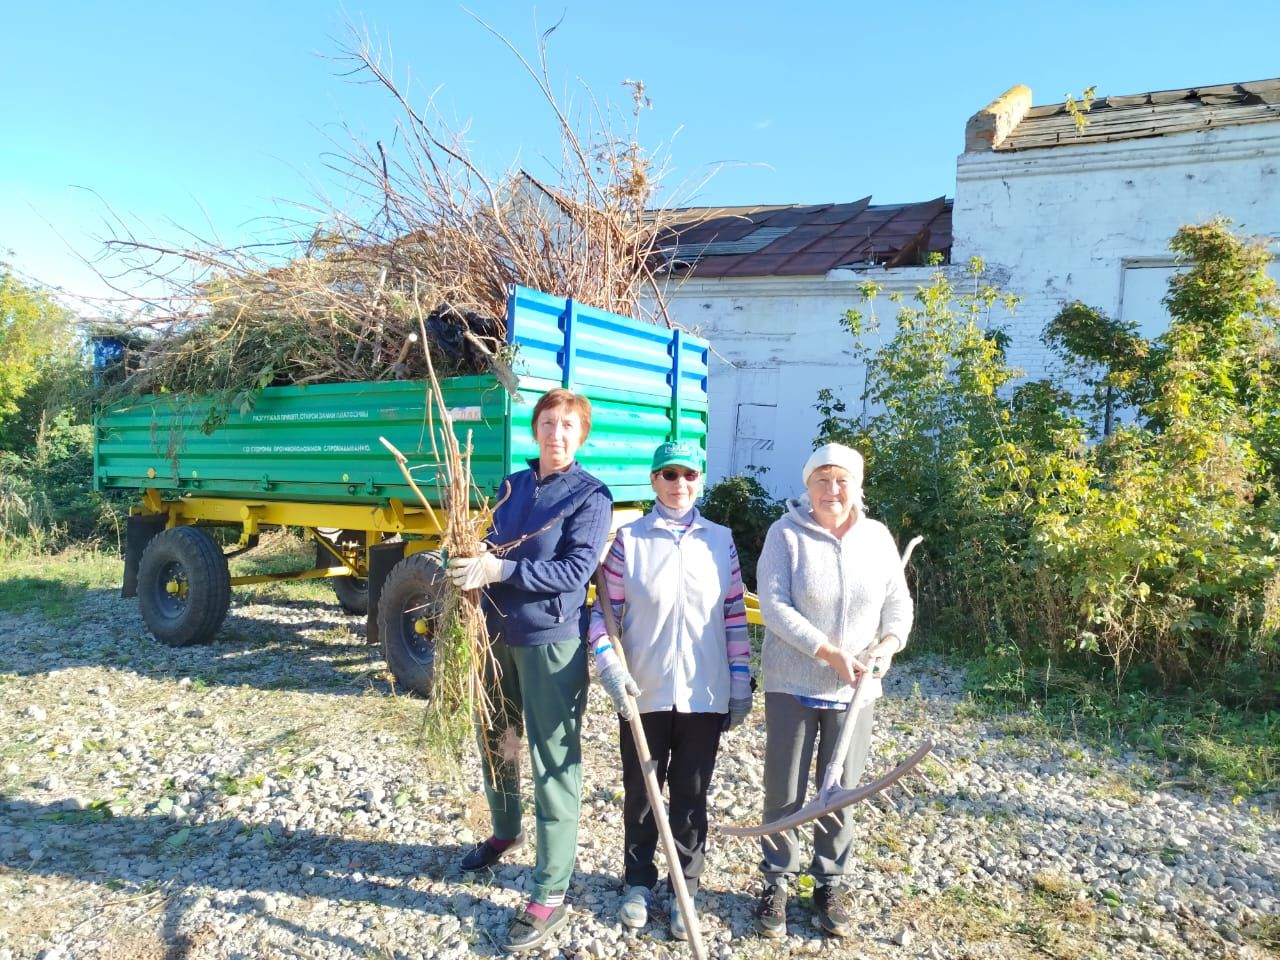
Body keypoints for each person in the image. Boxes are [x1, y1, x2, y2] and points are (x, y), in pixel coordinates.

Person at [447, 388, 613, 954]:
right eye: (548, 422)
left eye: (568, 425)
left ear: (581, 435)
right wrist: (468, 560)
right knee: (498, 740)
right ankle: (505, 829)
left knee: (551, 758)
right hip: (494, 636)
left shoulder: (590, 495)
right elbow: (487, 546)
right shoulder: (513, 486)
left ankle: (550, 890)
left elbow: (573, 571)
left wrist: (501, 568)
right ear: (535, 428)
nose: (556, 433)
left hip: (549, 642)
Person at [589, 439, 752, 941]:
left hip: (705, 693)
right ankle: (637, 883)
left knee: (691, 793)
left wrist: (741, 681)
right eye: (668, 475)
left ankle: (686, 889)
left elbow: (733, 613)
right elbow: (602, 614)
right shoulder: (629, 541)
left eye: (688, 475)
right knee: (641, 794)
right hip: (643, 691)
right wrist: (608, 666)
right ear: (653, 481)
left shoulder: (719, 540)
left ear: (699, 480)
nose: (679, 484)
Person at [753, 442, 913, 939]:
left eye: (841, 479)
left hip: (856, 690)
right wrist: (829, 652)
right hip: (792, 684)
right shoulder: (785, 535)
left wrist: (885, 648)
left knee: (841, 790)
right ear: (807, 486)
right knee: (785, 790)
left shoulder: (878, 538)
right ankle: (777, 881)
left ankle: (829, 882)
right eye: (822, 479)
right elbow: (775, 607)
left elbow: (898, 605)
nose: (832, 489)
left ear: (857, 486)